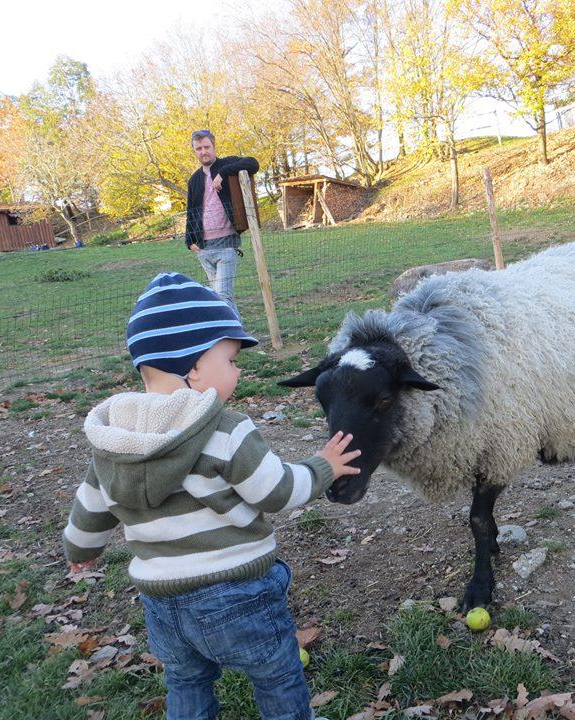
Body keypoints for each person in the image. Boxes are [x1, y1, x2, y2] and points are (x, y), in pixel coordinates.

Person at [62, 272, 359, 720]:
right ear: (195, 368)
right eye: (231, 359)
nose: (238, 371)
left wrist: (80, 553)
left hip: (161, 601)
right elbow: (276, 491)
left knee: (186, 680)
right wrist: (323, 467)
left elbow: (89, 509)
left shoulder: (115, 440)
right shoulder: (225, 429)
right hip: (235, 593)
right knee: (277, 676)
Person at [186, 129, 259, 313]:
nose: (203, 152)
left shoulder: (227, 164)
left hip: (226, 244)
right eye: (198, 148)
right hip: (204, 248)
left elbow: (253, 163)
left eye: (206, 147)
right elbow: (191, 212)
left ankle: (232, 331)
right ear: (194, 151)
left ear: (214, 146)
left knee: (223, 296)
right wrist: (189, 241)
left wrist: (223, 173)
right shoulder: (194, 180)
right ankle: (234, 330)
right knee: (220, 298)